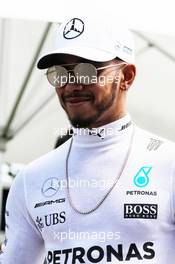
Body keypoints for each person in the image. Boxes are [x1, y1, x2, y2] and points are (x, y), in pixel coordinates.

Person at [0, 15, 175, 264]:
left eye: (86, 71)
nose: (71, 85)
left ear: (127, 76)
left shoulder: (168, 164)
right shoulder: (30, 179)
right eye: (60, 73)